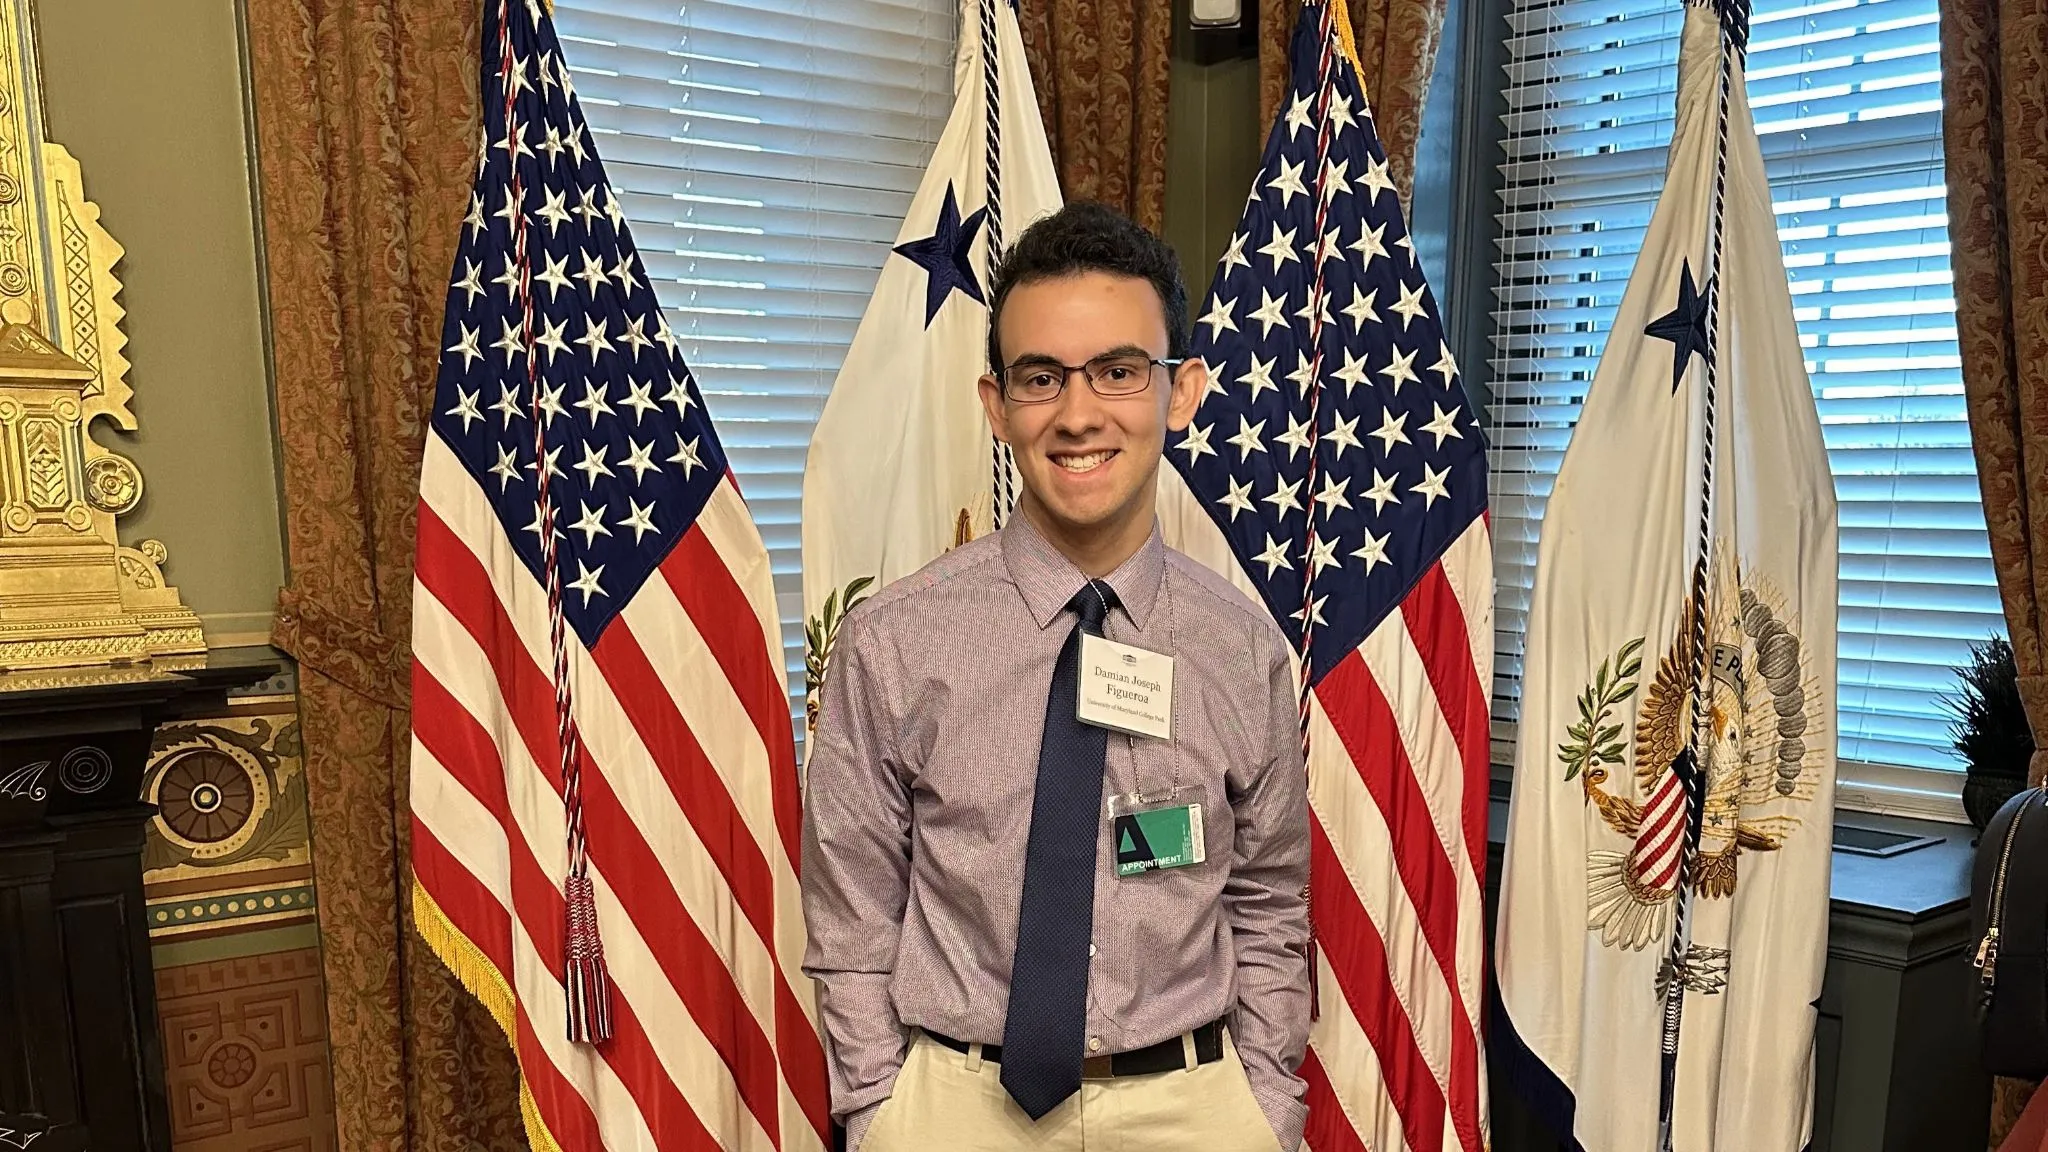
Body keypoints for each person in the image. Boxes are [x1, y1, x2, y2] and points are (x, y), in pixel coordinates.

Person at [801, 201, 1311, 1152]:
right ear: (997, 406)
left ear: (1181, 391)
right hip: (956, 1113)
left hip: (1195, 1109)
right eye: (1042, 378)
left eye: (1119, 371)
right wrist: (878, 1110)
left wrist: (1266, 1102)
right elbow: (851, 908)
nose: (1078, 415)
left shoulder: (1243, 652)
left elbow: (1269, 896)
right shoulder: (892, 644)